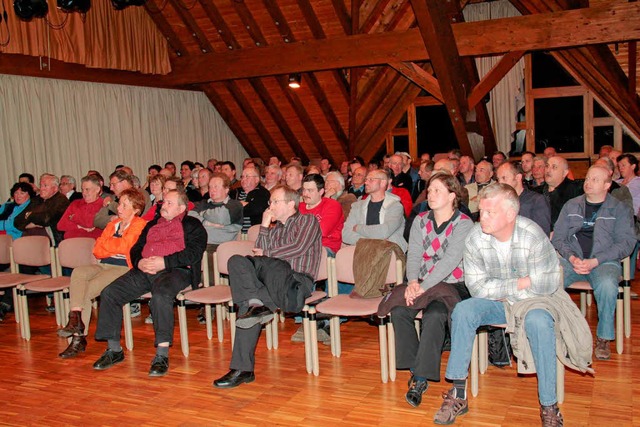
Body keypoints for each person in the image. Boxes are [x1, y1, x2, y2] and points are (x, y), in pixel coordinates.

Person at [434, 183, 565, 426]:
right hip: (500, 302)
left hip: (534, 302)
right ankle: (458, 393)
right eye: (481, 211)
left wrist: (506, 288)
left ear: (511, 214)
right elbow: (477, 288)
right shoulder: (475, 237)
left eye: (489, 212)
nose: (481, 217)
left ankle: (549, 405)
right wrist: (521, 282)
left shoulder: (531, 234)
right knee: (464, 310)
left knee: (539, 321)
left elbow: (547, 283)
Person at [213, 185, 322, 388]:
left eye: (274, 201)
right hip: (269, 282)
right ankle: (242, 369)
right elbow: (258, 253)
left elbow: (296, 248)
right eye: (270, 202)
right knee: (236, 262)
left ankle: (256, 305)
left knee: (271, 264)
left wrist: (266, 253)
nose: (269, 205)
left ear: (291, 204)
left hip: (296, 283)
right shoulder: (275, 229)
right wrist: (264, 225)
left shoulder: (307, 220)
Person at [92, 189, 207, 376]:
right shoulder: (152, 224)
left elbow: (194, 252)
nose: (164, 205)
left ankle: (162, 354)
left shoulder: (192, 225)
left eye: (170, 203)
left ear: (182, 208)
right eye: (163, 202)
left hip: (175, 270)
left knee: (161, 296)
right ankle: (114, 350)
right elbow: (136, 248)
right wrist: (140, 262)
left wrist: (165, 262)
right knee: (110, 293)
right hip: (145, 269)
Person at [389, 172, 473, 408]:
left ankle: (420, 380)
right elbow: (413, 254)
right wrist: (413, 281)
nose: (431, 194)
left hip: (452, 285)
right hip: (422, 283)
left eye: (437, 190)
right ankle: (418, 367)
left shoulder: (464, 223)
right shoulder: (421, 220)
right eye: (429, 189)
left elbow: (450, 262)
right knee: (398, 311)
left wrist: (422, 287)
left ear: (452, 196)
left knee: (435, 314)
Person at [552, 166, 636, 360]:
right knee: (550, 280)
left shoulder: (619, 208)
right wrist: (572, 257)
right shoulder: (571, 205)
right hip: (572, 259)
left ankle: (603, 337)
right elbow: (559, 238)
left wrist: (595, 261)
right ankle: (560, 331)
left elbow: (626, 243)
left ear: (607, 185)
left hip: (603, 262)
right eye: (587, 178)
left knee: (607, 285)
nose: (588, 183)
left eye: (595, 180)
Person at [57, 189, 147, 358]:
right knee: (79, 272)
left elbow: (126, 247)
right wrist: (114, 244)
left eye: (124, 205)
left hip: (122, 268)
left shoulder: (140, 225)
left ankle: (78, 339)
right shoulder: (112, 224)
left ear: (136, 209)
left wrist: (110, 244)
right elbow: (97, 250)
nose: (119, 208)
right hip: (104, 264)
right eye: (119, 203)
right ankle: (76, 319)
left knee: (85, 291)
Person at [343, 169, 407, 252]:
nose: (366, 182)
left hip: (388, 253)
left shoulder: (395, 206)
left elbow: (384, 231)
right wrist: (373, 242)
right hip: (363, 251)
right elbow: (346, 234)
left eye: (371, 179)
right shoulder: (357, 206)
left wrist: (358, 228)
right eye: (366, 179)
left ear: (383, 183)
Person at [496, 162, 551, 235]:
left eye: (504, 178)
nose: (500, 183)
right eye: (498, 179)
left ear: (518, 177)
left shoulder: (536, 200)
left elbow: (541, 234)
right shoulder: (497, 201)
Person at [16, 173, 70, 245]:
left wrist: (29, 215)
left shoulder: (61, 200)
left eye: (45, 186)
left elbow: (45, 220)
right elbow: (17, 221)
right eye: (41, 185)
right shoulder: (37, 199)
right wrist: (30, 224)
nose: (41, 188)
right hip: (30, 238)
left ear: (55, 188)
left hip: (52, 240)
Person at [57, 175, 104, 240]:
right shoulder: (75, 203)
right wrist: (79, 226)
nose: (84, 193)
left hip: (93, 243)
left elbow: (89, 224)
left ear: (97, 189)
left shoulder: (103, 205)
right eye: (82, 189)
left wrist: (74, 217)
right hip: (72, 242)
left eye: (87, 189)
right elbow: (60, 225)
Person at [543, 156, 582, 229]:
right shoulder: (536, 192)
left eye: (554, 167)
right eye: (547, 166)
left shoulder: (575, 191)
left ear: (565, 173)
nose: (548, 170)